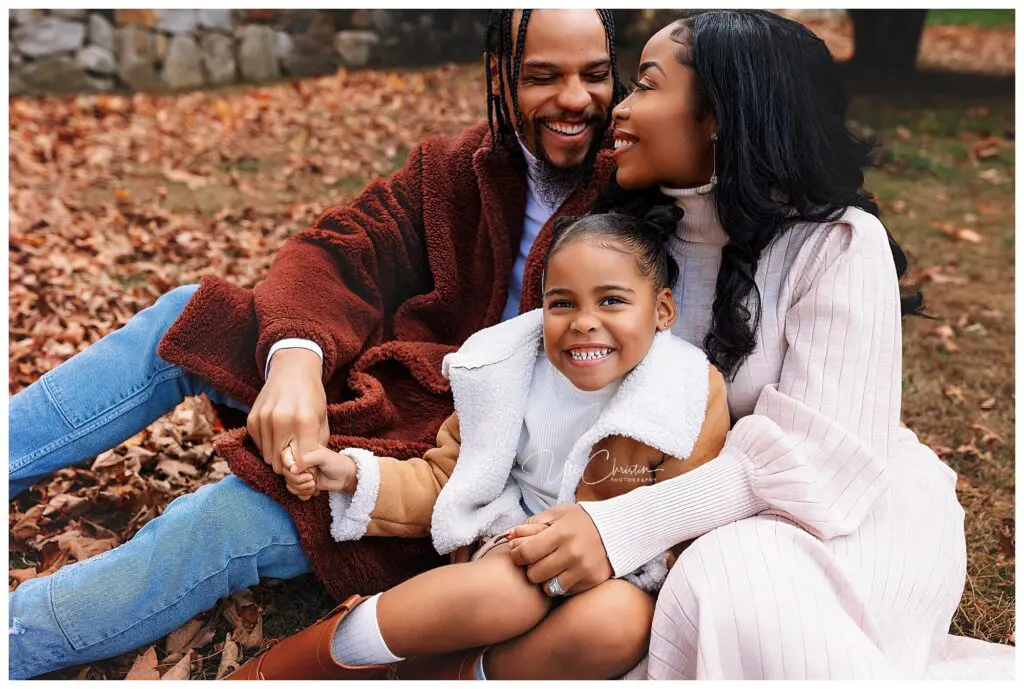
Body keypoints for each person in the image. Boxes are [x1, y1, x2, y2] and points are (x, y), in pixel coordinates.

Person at [8, 9, 629, 679]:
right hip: (381, 388)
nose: (575, 99)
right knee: (190, 314)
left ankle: (18, 636)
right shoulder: (458, 167)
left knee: (225, 517)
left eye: (595, 75)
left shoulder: (635, 197)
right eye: (544, 76)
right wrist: (297, 358)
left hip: (441, 476)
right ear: (499, 78)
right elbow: (339, 248)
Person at [484, 10, 1012, 679]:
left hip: (843, 518)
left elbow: (818, 460)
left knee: (728, 583)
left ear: (719, 115)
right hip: (670, 520)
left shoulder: (837, 243)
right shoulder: (626, 244)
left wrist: (626, 527)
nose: (619, 107)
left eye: (647, 84)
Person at [226, 209, 730, 680]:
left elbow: (683, 516)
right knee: (510, 591)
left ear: (663, 310)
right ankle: (293, 669)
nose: (583, 321)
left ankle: (447, 676)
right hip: (511, 547)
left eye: (612, 301)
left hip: (620, 567)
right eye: (562, 303)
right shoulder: (507, 375)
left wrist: (618, 552)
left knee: (618, 623)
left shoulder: (684, 392)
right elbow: (449, 478)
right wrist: (354, 476)